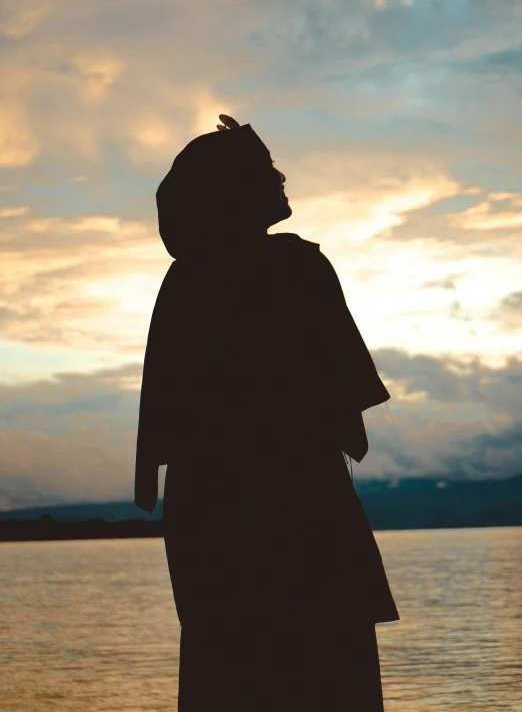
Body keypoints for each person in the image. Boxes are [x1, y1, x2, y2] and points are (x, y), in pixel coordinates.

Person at [135, 114, 400, 711]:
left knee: (227, 673)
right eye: (265, 171)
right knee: (327, 675)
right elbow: (348, 409)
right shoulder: (296, 266)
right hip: (300, 513)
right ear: (237, 193)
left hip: (207, 519)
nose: (282, 178)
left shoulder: (182, 282)